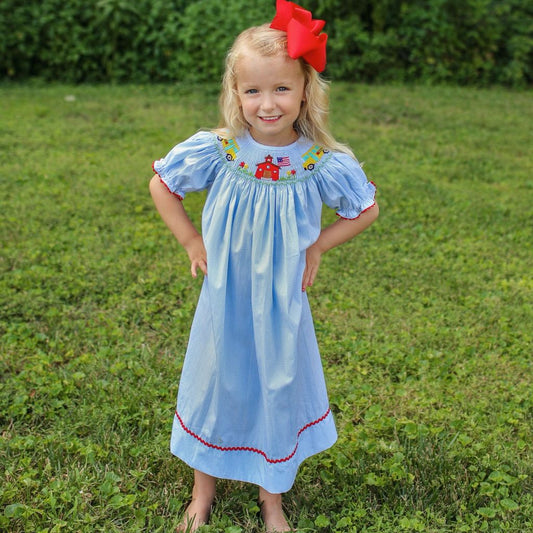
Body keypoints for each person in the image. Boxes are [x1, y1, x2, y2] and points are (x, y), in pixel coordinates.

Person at [149, 1, 378, 531]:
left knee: (277, 384)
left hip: (281, 302)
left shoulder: (319, 161)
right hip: (224, 297)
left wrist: (317, 246)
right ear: (236, 94)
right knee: (215, 381)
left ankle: (270, 497)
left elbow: (365, 209)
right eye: (253, 91)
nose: (267, 104)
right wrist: (189, 239)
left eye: (281, 89)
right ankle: (200, 493)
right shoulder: (221, 150)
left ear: (305, 92)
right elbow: (162, 184)